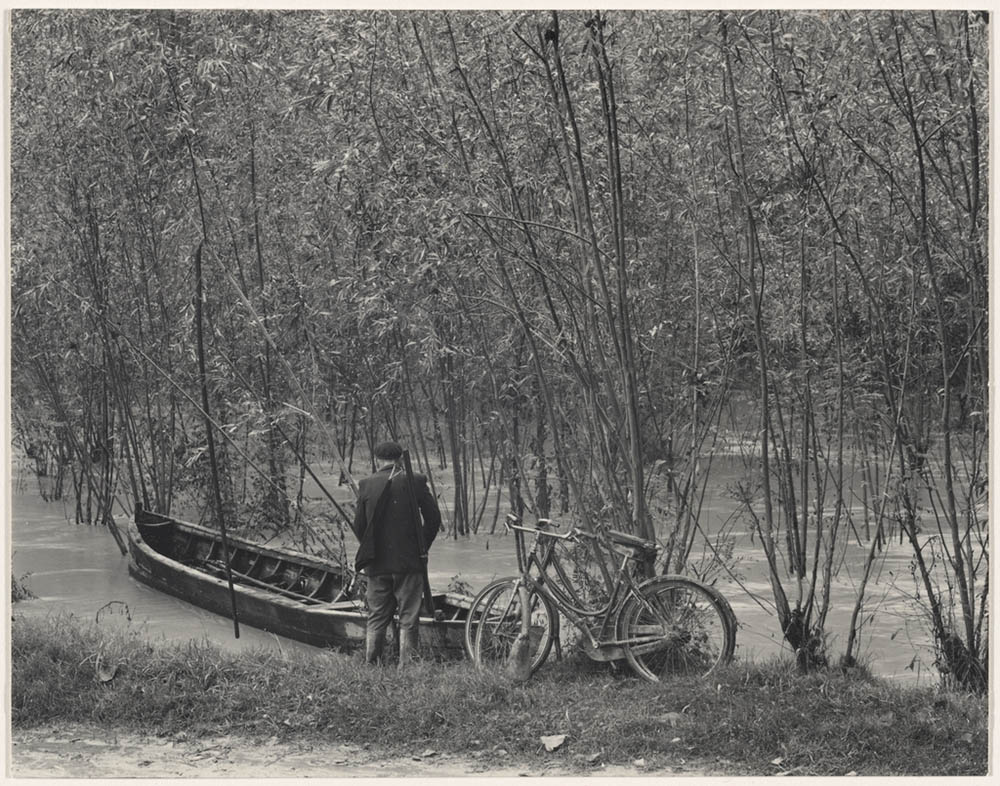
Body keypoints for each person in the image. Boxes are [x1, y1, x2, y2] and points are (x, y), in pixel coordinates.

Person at [351, 440, 441, 666]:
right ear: (399, 458)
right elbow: (433, 520)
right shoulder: (416, 481)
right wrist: (421, 547)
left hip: (377, 563)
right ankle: (406, 666)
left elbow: (359, 526)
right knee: (409, 617)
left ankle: (372, 663)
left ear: (377, 459)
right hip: (409, 562)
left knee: (377, 616)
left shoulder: (366, 484)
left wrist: (371, 547)